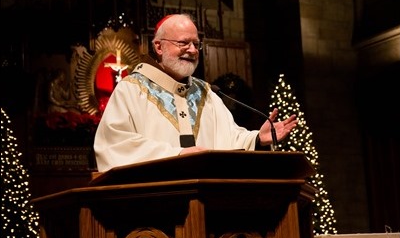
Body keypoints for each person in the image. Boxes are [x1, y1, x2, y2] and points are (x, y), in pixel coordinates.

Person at [93, 13, 298, 172]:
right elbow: (115, 145)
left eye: (196, 44)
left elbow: (229, 139)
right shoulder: (131, 90)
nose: (192, 50)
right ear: (158, 46)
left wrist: (256, 139)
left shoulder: (206, 94)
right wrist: (178, 155)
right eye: (183, 43)